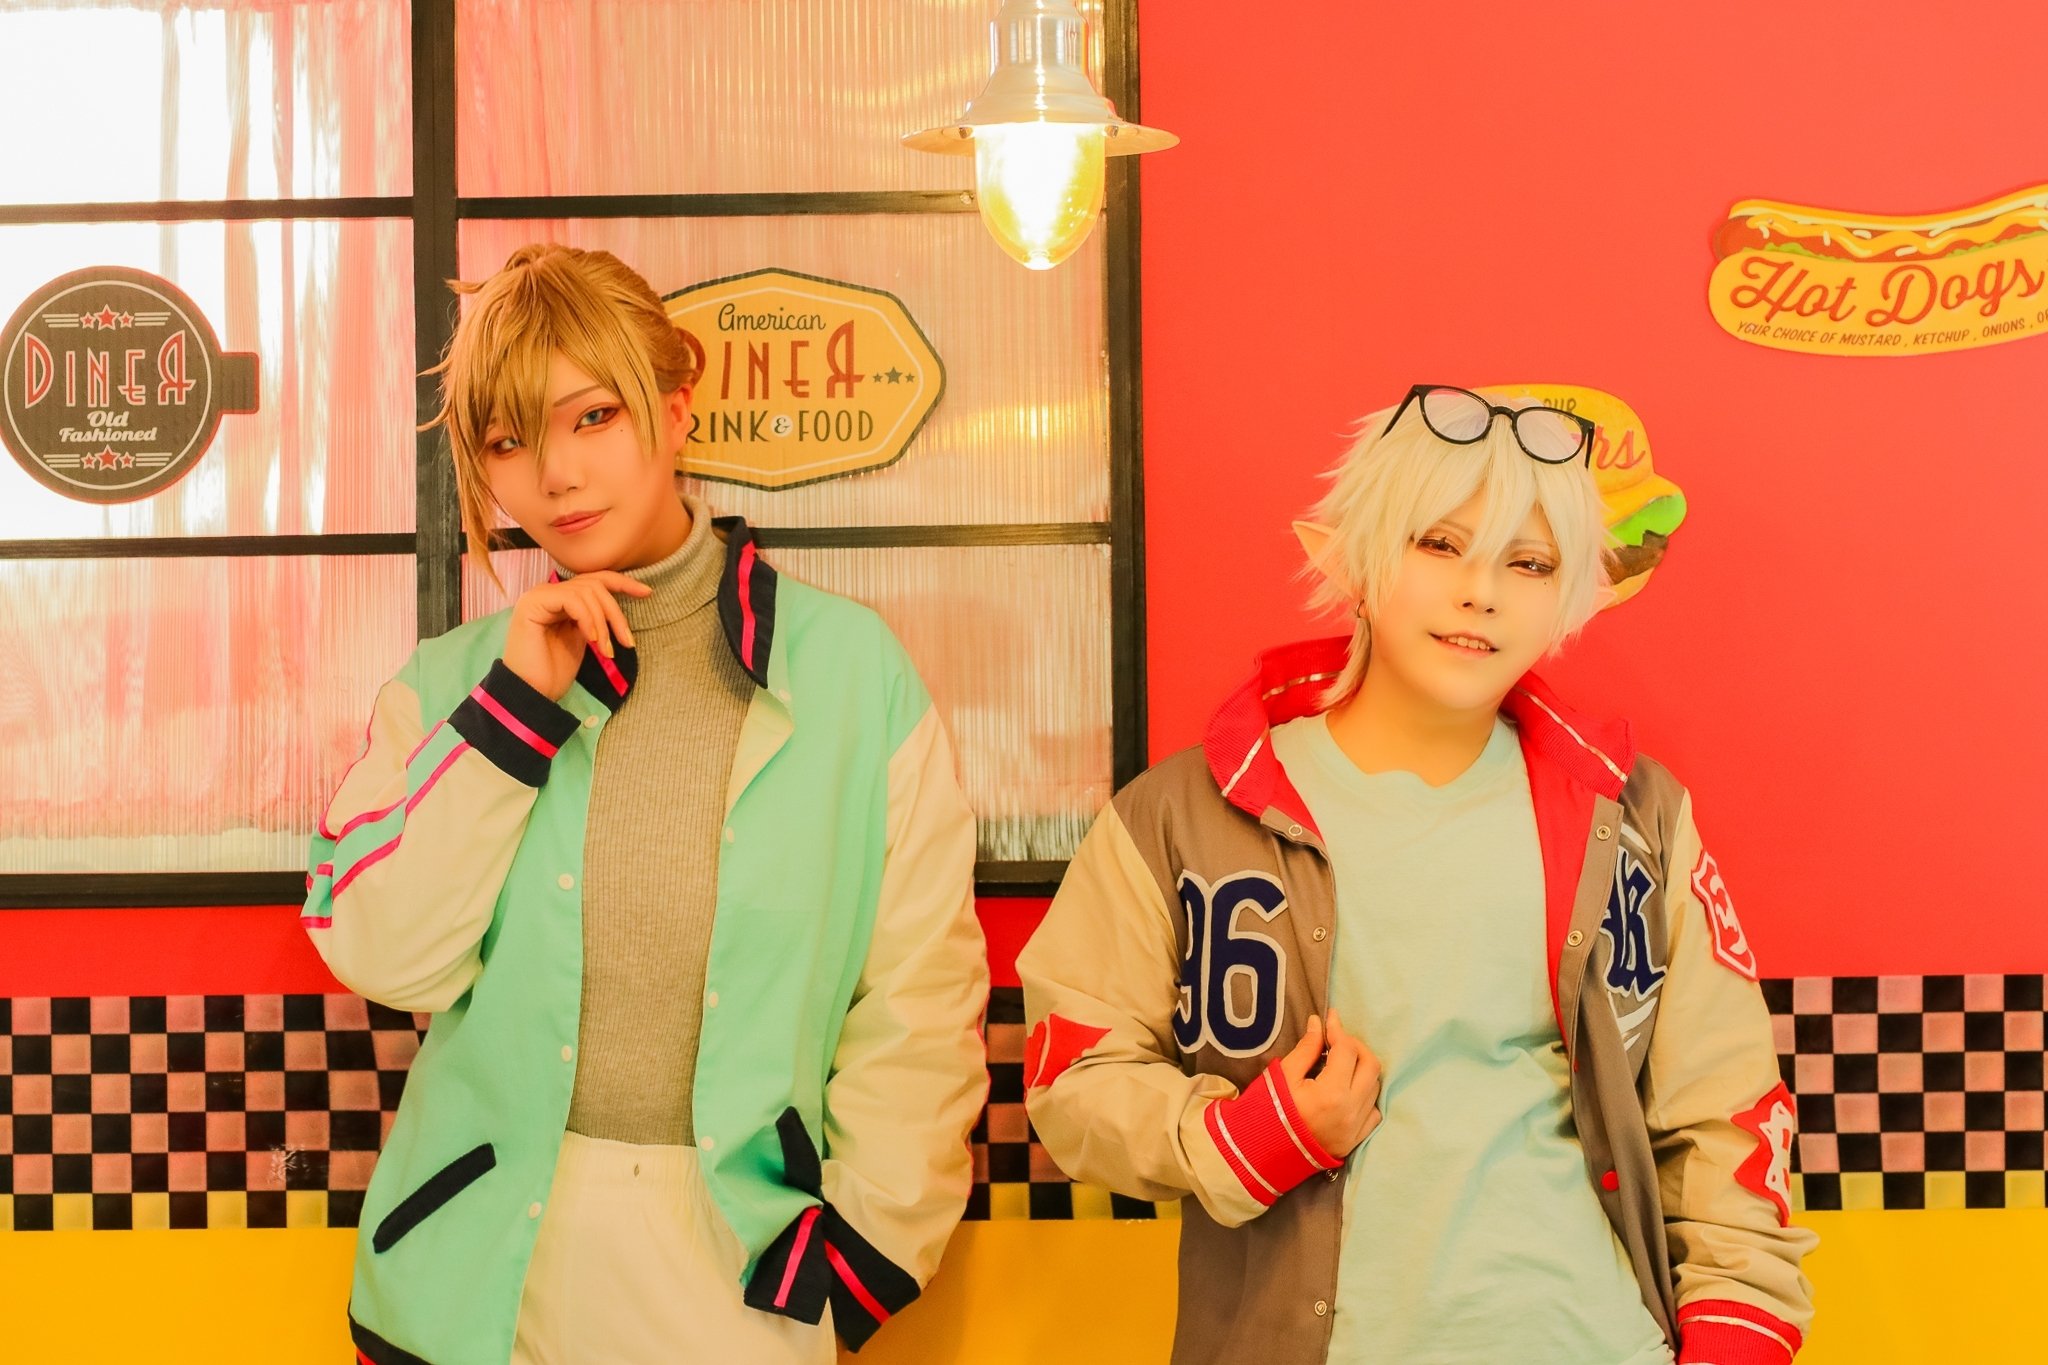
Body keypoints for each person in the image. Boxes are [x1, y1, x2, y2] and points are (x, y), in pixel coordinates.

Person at [1017, 385, 1816, 1364]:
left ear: (1570, 594)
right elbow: (1075, 1079)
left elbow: (1722, 1105)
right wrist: (1249, 1135)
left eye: (1529, 562)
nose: (1481, 591)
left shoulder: (1635, 818)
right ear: (1354, 558)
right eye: (1439, 544)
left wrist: (1736, 1337)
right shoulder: (1183, 814)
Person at [302, 244, 988, 1365]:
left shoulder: (852, 675)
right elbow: (385, 957)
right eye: (508, 442)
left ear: (675, 409)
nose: (556, 476)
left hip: (743, 1267)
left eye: (593, 417)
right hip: (481, 1276)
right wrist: (514, 710)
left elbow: (918, 992)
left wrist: (866, 1255)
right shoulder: (451, 685)